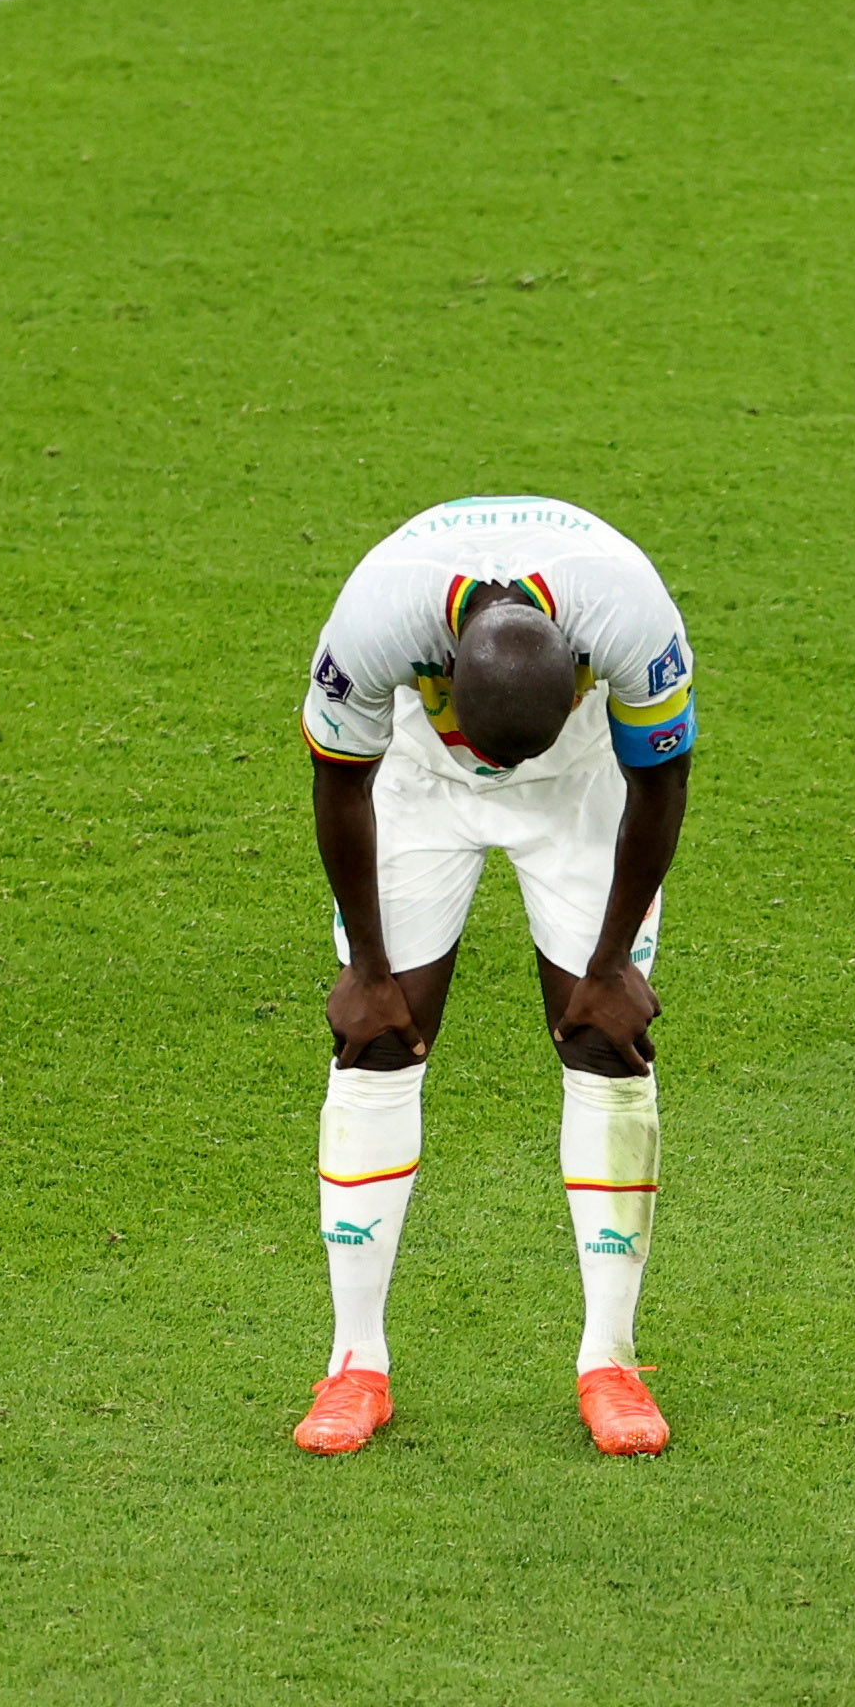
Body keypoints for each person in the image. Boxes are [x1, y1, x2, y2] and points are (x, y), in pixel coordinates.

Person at [292, 496, 697, 1456]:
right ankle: (355, 1365)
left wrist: (610, 963)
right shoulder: (375, 619)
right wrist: (370, 966)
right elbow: (339, 779)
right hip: (420, 790)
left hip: (583, 789)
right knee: (376, 1037)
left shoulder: (632, 616)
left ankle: (612, 1361)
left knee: (607, 1039)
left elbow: (662, 782)